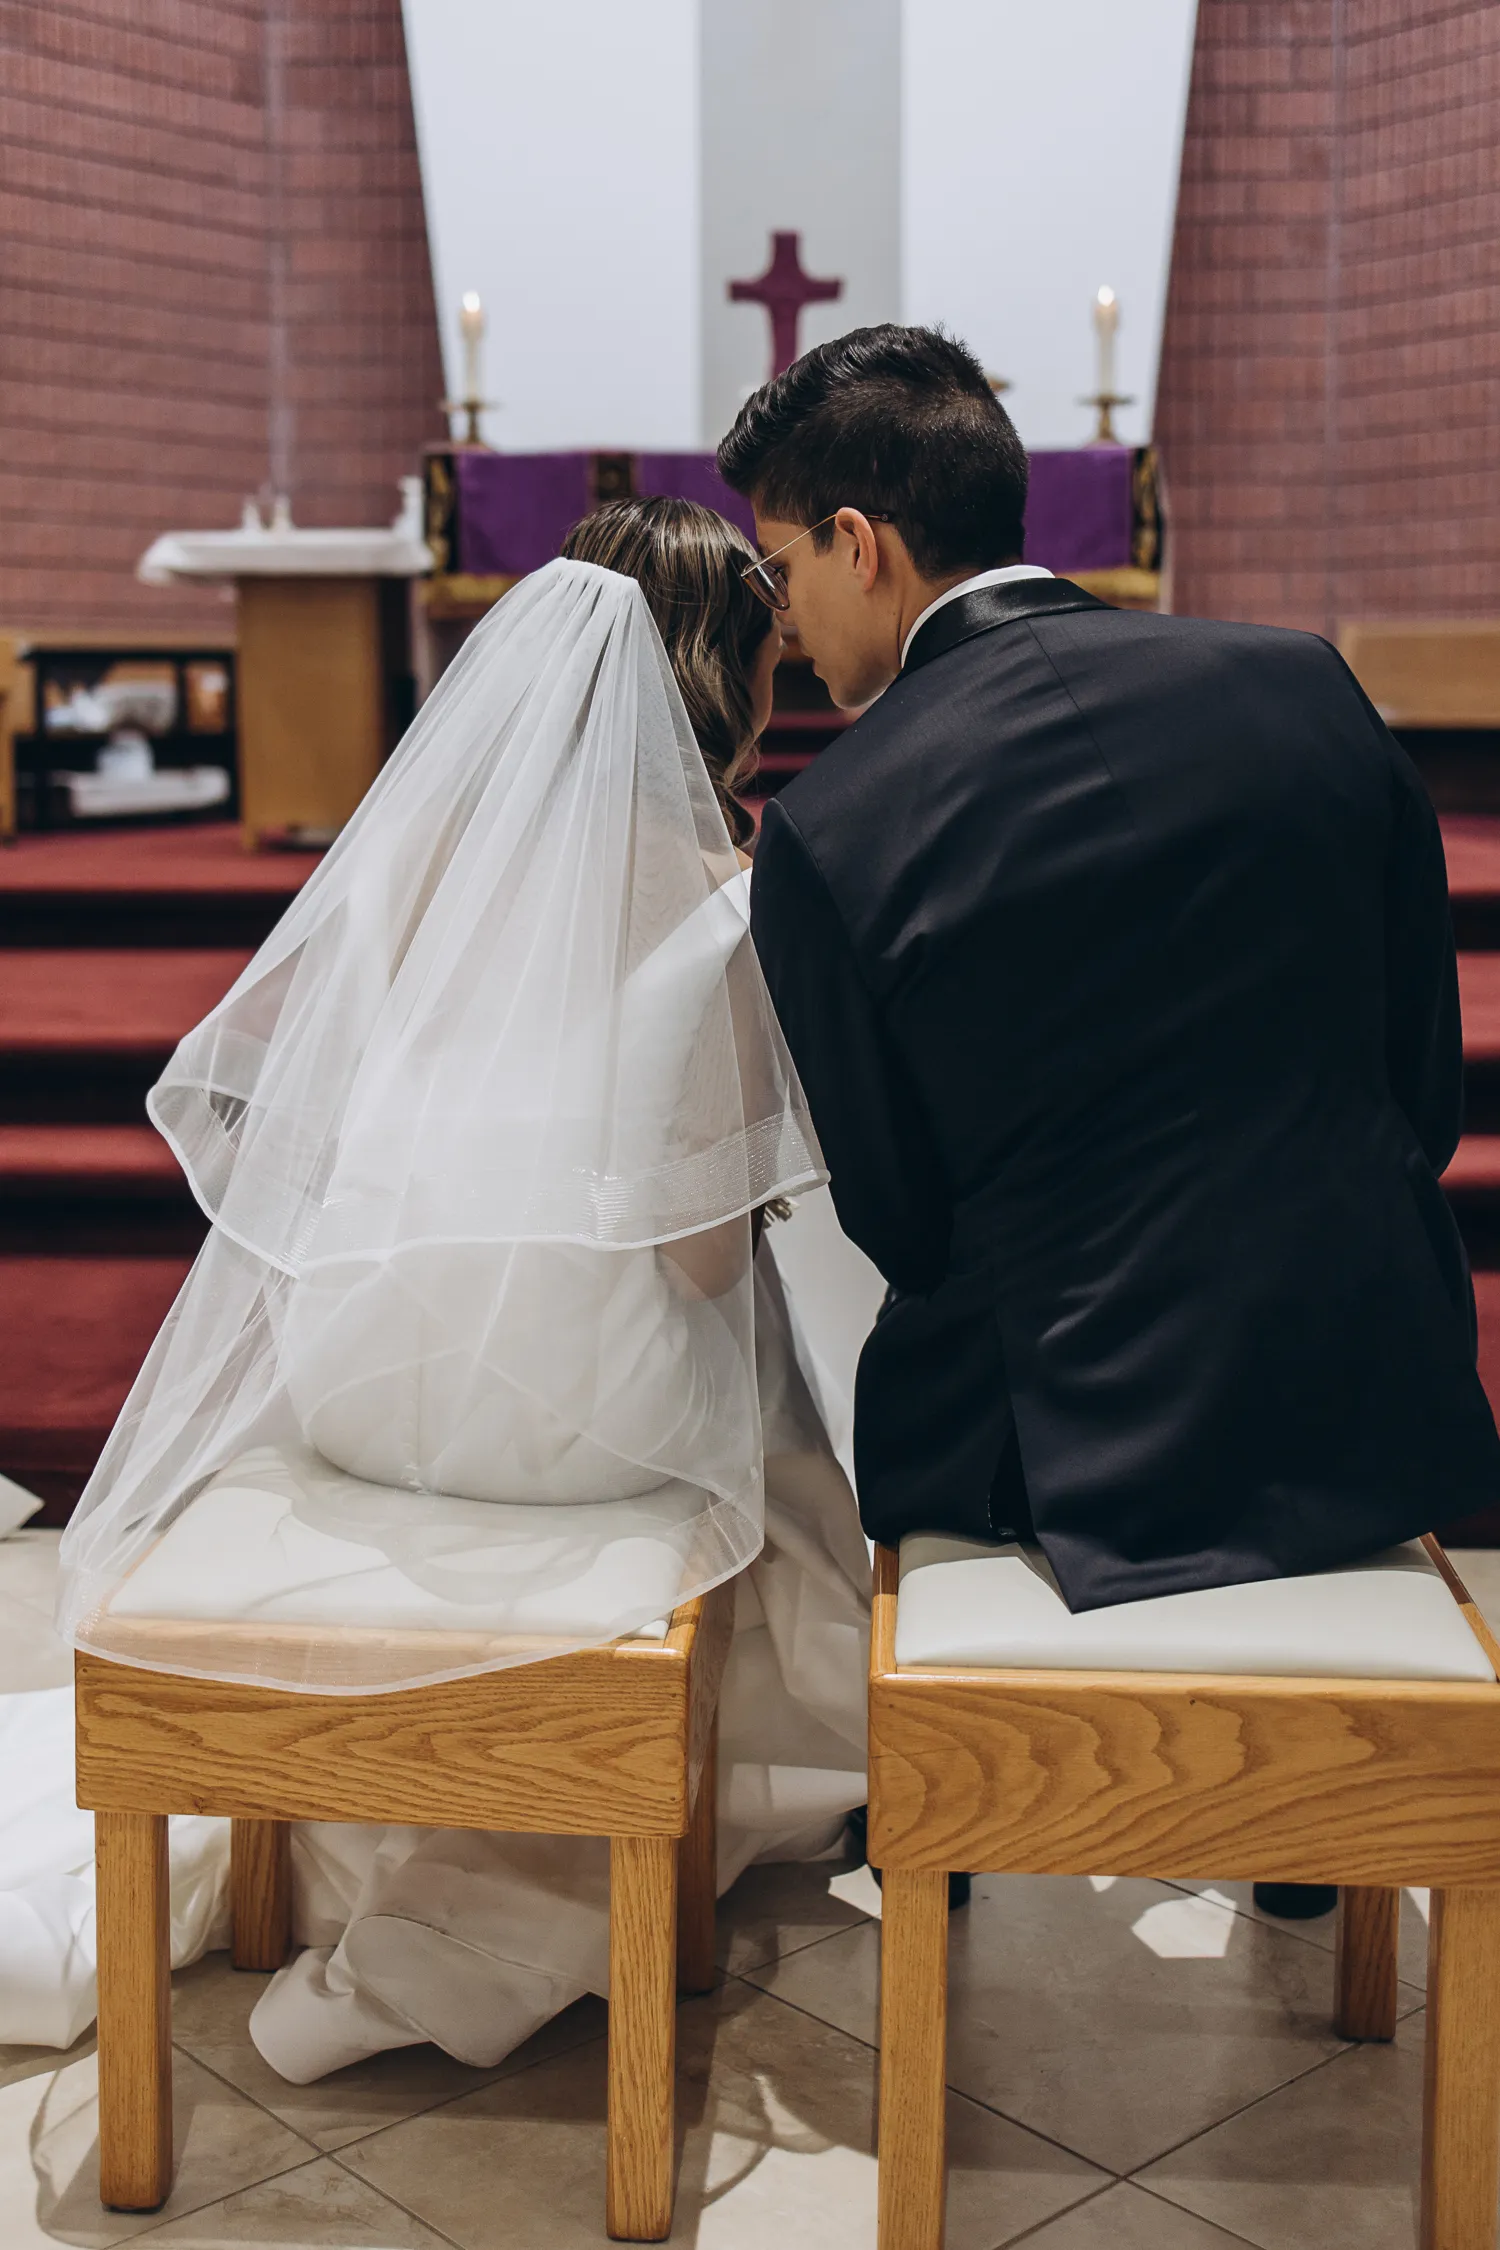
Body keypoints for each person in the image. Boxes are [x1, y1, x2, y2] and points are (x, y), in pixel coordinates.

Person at [44, 510, 874, 2074]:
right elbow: (699, 1255)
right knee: (767, 1379)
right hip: (582, 1432)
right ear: (721, 679)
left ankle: (428, 1795)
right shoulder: (722, 896)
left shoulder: (416, 860)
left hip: (356, 1372)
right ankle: (574, 1841)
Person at [724, 323, 1500, 1623]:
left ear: (858, 544)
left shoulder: (835, 823)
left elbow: (902, 1221)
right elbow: (1419, 1088)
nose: (782, 614)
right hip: (1374, 1385)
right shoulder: (1309, 686)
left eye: (781, 565)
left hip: (1066, 1455)